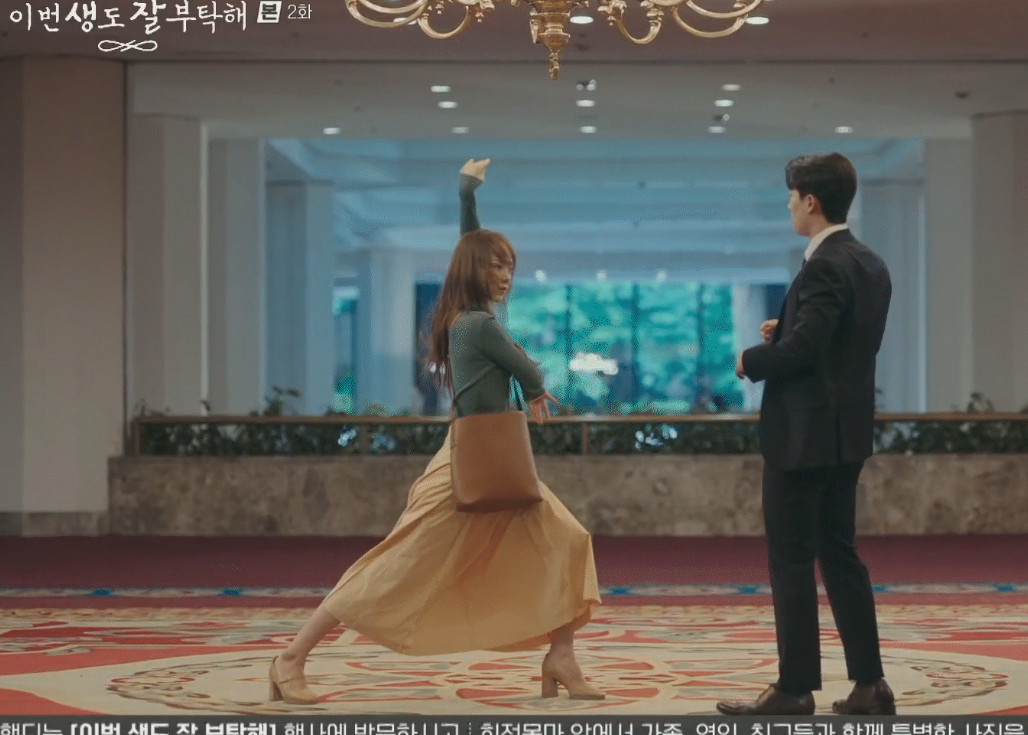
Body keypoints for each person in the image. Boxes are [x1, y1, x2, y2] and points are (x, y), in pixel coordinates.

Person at [267, 158, 604, 705]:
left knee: (566, 538)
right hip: (467, 464)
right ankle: (291, 658)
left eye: (509, 266)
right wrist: (536, 388)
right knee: (395, 563)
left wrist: (467, 195)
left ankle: (561, 656)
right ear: (474, 272)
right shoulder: (480, 325)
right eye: (495, 267)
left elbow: (472, 246)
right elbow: (529, 369)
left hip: (479, 457)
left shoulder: (467, 315)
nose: (505, 276)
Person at [718, 153, 895, 716]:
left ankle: (794, 688)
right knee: (840, 555)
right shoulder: (870, 263)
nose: (789, 206)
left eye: (792, 197)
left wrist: (751, 358)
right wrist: (789, 328)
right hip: (846, 435)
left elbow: (803, 352)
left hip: (802, 438)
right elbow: (841, 344)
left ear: (811, 201)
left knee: (792, 560)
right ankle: (870, 685)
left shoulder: (822, 266)